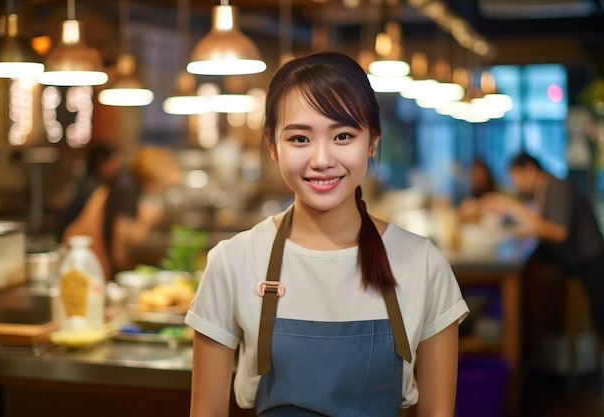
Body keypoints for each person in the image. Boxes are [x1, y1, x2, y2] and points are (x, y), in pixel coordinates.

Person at [185, 51, 469, 417]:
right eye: (300, 139)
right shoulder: (233, 261)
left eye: (343, 135)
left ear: (372, 142)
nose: (321, 159)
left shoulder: (423, 264)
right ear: (272, 145)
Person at [483, 152, 604, 359]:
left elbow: (558, 231)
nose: (517, 185)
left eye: (518, 178)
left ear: (530, 169)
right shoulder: (544, 188)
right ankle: (538, 349)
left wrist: (514, 210)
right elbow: (539, 221)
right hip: (577, 258)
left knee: (600, 317)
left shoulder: (557, 186)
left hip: (589, 259)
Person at [62, 144, 181, 280]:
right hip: (97, 263)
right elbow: (122, 241)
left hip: (97, 257)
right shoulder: (127, 187)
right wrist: (146, 220)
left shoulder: (127, 182)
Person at [57, 142, 123, 241]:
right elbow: (90, 230)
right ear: (101, 163)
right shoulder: (96, 190)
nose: (117, 167)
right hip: (76, 242)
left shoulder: (86, 182)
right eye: (113, 161)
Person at [458, 158, 499, 224]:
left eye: (479, 173)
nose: (476, 176)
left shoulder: (496, 193)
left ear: (486, 173)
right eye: (474, 174)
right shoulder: (472, 192)